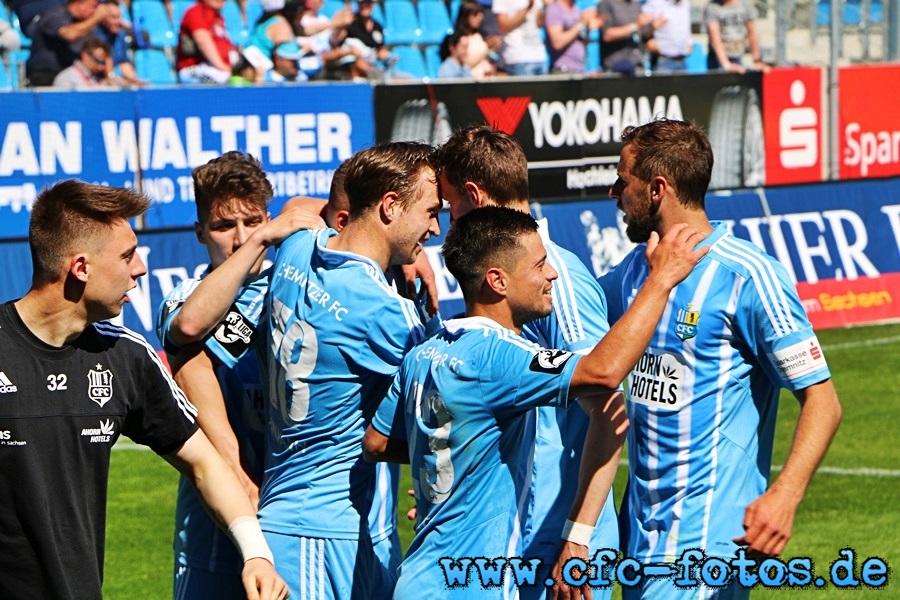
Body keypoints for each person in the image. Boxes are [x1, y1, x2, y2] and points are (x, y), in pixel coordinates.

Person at [364, 205, 706, 599]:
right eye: (540, 264)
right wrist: (661, 280)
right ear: (498, 281)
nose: (553, 274)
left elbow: (376, 443)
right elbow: (603, 372)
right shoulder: (501, 356)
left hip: (419, 579)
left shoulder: (425, 351)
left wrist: (452, 469)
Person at [0, 179, 288, 600]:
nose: (140, 269)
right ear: (81, 268)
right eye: (127, 255)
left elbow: (205, 464)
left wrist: (255, 553)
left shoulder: (125, 358)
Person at [602, 119, 841, 598]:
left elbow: (823, 400)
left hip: (706, 545)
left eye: (623, 181)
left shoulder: (748, 276)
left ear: (657, 189)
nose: (614, 193)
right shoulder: (632, 275)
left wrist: (784, 496)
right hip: (640, 542)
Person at [397, 124, 616, 599]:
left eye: (449, 205)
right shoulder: (508, 279)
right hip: (518, 538)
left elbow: (609, 407)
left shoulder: (554, 283)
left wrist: (578, 538)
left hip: (559, 544)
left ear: (474, 195)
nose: (442, 223)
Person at [155, 153, 305, 600]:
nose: (241, 239)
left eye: (253, 223)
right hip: (213, 528)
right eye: (223, 227)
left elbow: (351, 209)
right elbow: (188, 334)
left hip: (296, 513)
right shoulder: (182, 300)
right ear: (200, 231)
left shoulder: (300, 286)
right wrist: (235, 470)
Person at [25, 0, 116, 86]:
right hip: (45, 77)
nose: (94, 11)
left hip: (72, 76)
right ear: (80, 3)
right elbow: (69, 34)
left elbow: (101, 49)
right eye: (93, 6)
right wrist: (96, 18)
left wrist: (109, 77)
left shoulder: (86, 24)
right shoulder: (53, 16)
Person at [176, 0, 237, 84]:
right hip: (194, 69)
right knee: (223, 81)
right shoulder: (195, 12)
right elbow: (204, 42)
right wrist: (224, 67)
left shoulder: (219, 17)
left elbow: (229, 47)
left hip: (216, 69)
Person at [597, 0, 660, 75]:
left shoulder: (636, 5)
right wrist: (636, 26)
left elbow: (642, 34)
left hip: (637, 65)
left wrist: (652, 28)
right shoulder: (606, 4)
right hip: (615, 68)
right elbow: (607, 35)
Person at [705, 0, 769, 73]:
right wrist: (726, 64)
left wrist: (757, 60)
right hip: (717, 59)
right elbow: (714, 38)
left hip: (737, 57)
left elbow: (752, 32)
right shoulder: (712, 7)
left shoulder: (745, 4)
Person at [441, 0, 497, 78]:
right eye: (475, 15)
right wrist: (487, 52)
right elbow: (463, 65)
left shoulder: (480, 35)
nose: (479, 18)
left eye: (480, 14)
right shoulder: (459, 38)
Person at [544, 0, 603, 74]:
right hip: (563, 70)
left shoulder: (576, 9)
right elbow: (557, 43)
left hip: (579, 69)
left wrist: (589, 30)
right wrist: (582, 23)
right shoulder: (554, 9)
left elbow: (581, 42)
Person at [493, 0, 548, 76]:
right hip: (518, 57)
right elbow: (504, 27)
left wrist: (546, 7)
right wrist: (527, 8)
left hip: (539, 56)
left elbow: (539, 24)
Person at [96, 1, 145, 86]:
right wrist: (112, 80)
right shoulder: (95, 35)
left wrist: (135, 81)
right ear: (103, 18)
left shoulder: (120, 35)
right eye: (113, 18)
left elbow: (124, 62)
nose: (118, 22)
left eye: (119, 17)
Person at [642, 0, 692, 73]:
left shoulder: (685, 3)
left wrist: (689, 42)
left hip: (681, 60)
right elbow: (641, 27)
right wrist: (649, 36)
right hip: (663, 60)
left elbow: (685, 25)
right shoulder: (654, 3)